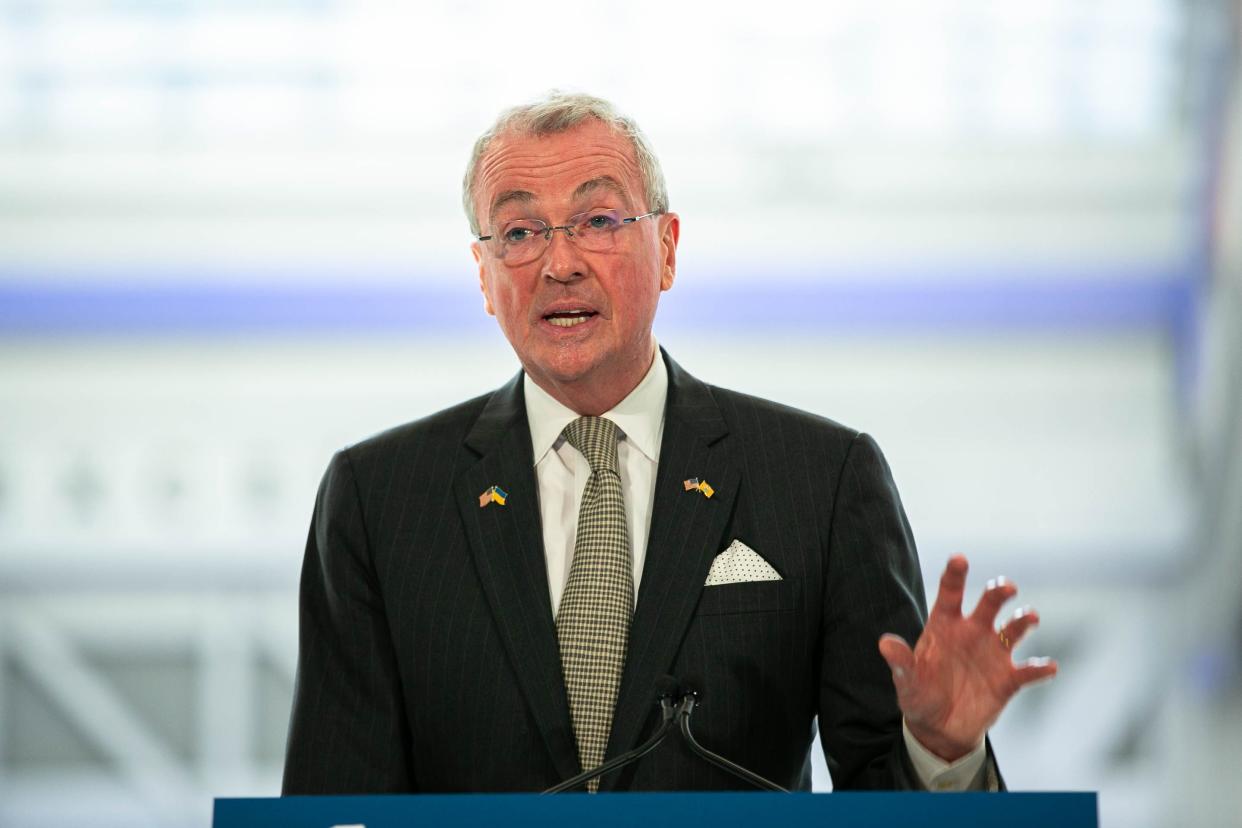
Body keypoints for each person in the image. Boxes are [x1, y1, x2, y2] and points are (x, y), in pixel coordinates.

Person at [282, 92, 1057, 794]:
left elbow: (880, 797)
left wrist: (939, 751)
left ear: (670, 248)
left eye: (598, 221)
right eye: (519, 231)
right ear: (484, 277)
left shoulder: (820, 481)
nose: (559, 263)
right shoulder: (381, 499)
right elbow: (334, 803)